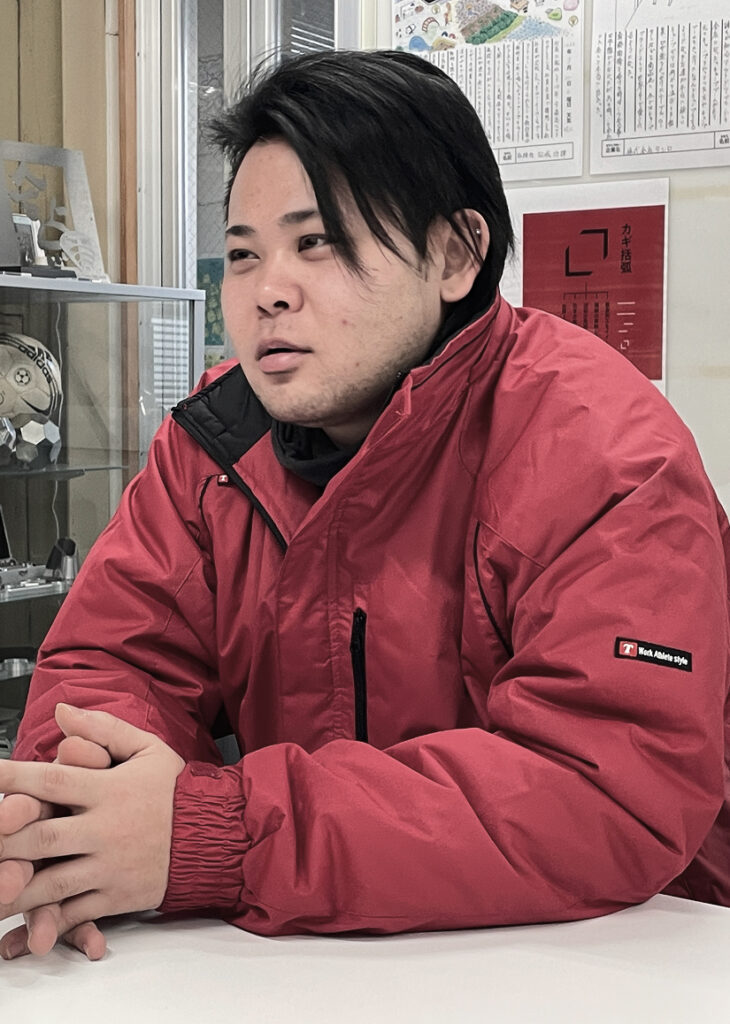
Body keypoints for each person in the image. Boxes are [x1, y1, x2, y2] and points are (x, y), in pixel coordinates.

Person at [0, 48, 728, 963]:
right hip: (309, 959)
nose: (267, 291)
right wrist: (81, 811)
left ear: (455, 254)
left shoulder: (601, 449)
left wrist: (217, 834)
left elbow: (607, 788)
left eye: (318, 243)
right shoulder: (216, 442)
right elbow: (114, 659)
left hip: (614, 955)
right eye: (243, 254)